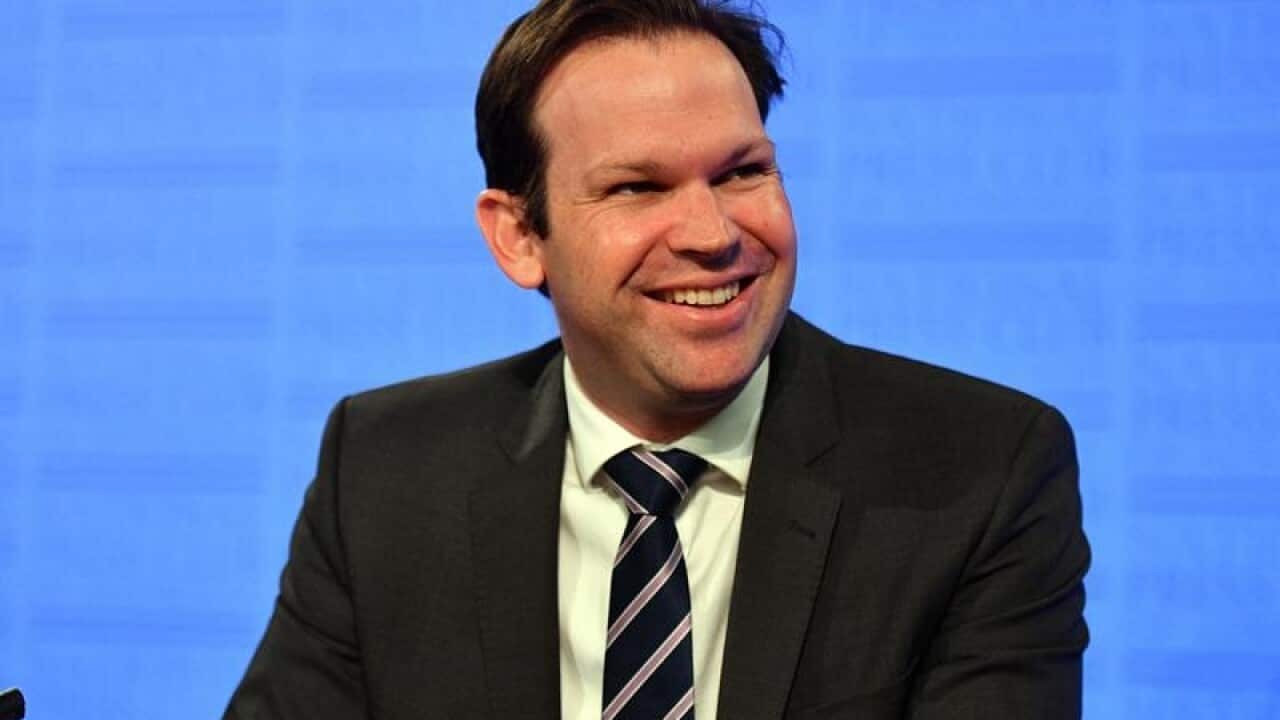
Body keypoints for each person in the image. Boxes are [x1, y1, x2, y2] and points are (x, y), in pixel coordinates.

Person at [224, 0, 1090, 718]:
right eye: (638, 188)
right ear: (519, 236)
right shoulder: (387, 468)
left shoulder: (980, 470)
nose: (713, 234)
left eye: (742, 173)